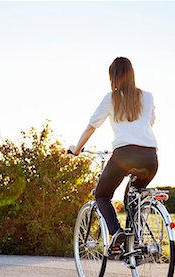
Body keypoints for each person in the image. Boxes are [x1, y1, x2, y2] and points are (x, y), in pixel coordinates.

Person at [69, 57, 158, 253]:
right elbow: (150, 122)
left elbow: (92, 126)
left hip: (125, 155)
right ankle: (135, 246)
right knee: (132, 198)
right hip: (150, 157)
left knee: (102, 194)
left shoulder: (111, 98)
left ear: (113, 77)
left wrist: (77, 149)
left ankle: (117, 233)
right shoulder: (148, 96)